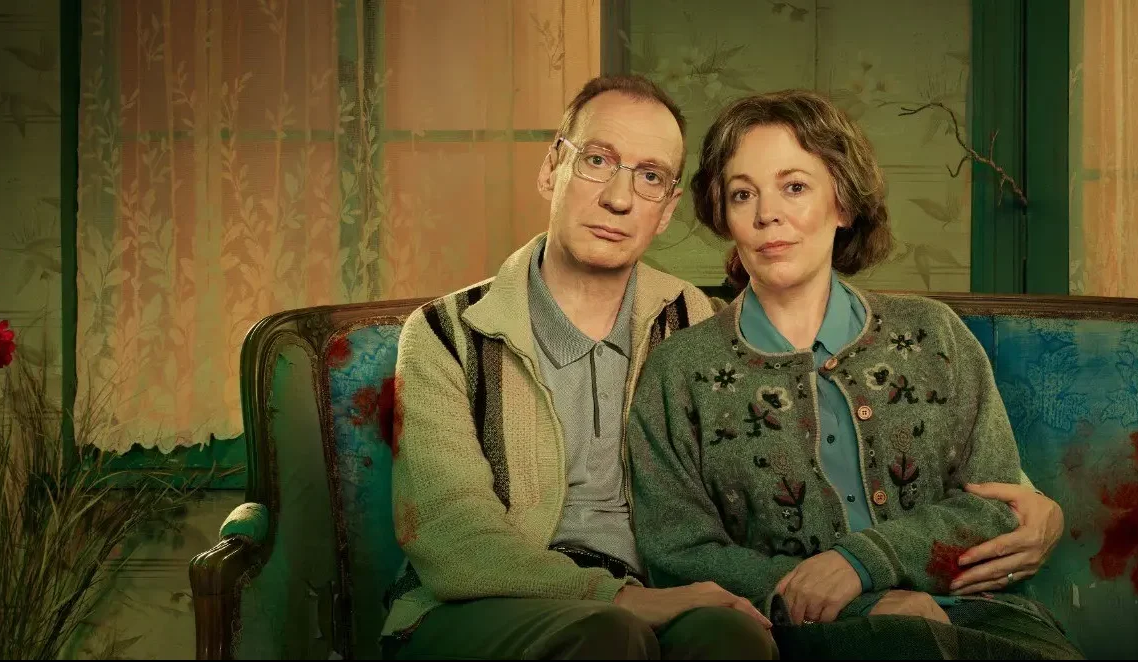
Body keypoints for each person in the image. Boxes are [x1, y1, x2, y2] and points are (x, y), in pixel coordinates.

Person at [625, 89, 1084, 659]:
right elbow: (679, 555)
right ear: (725, 217)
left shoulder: (934, 335)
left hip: (981, 621)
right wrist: (862, 604)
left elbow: (997, 505)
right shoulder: (680, 370)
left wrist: (862, 562)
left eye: (795, 187)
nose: (768, 214)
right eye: (743, 194)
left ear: (842, 204)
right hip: (793, 637)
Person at [379, 75, 777, 660]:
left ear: (667, 210)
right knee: (606, 635)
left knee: (733, 638)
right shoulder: (447, 332)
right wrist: (616, 599)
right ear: (551, 169)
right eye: (597, 160)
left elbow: (747, 499)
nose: (619, 198)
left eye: (650, 176)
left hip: (655, 592)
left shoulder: (695, 321)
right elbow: (453, 538)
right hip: (477, 608)